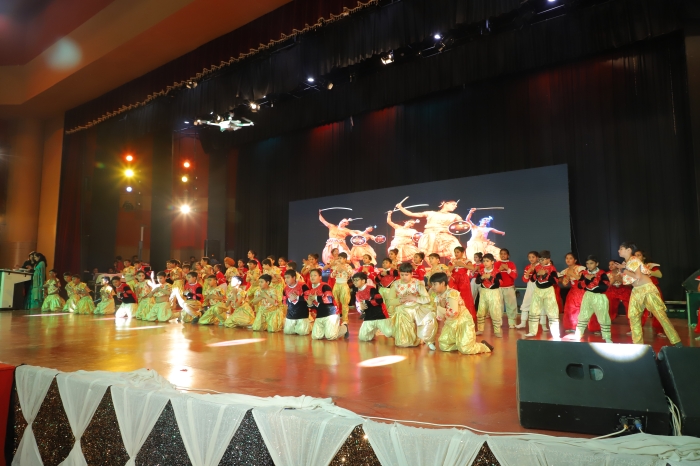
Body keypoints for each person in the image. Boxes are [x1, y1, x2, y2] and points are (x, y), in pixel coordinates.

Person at [615, 242, 681, 346]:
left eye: (621, 248)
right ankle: (638, 345)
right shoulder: (626, 263)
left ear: (628, 250)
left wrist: (624, 270)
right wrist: (620, 271)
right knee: (633, 316)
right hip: (636, 291)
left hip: (647, 289)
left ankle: (676, 341)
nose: (619, 251)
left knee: (660, 315)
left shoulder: (634, 260)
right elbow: (628, 279)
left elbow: (638, 276)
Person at [429, 272, 493, 354]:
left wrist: (439, 308)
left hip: (463, 321)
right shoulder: (437, 296)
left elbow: (454, 313)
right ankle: (460, 343)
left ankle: (484, 346)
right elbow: (440, 316)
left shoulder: (452, 293)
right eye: (432, 284)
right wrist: (438, 306)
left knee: (466, 349)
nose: (432, 287)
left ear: (443, 283)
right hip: (451, 322)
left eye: (434, 284)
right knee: (444, 346)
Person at [388, 263, 437, 349]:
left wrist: (414, 298)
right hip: (402, 309)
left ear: (411, 274)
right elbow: (390, 301)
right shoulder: (396, 284)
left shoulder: (417, 283)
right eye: (402, 275)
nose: (404, 277)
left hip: (416, 308)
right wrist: (401, 300)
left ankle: (425, 339)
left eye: (406, 275)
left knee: (429, 315)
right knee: (403, 342)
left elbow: (427, 299)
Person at [395, 200, 462, 259]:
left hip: (446, 237)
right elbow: (411, 214)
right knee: (428, 254)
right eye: (453, 204)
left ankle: (457, 266)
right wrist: (401, 207)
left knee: (457, 249)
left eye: (456, 205)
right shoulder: (431, 213)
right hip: (430, 236)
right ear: (445, 203)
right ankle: (434, 267)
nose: (455, 206)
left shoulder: (455, 216)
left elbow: (463, 224)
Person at [574, 255, 612, 343]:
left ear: (597, 264)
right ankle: (578, 335)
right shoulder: (584, 273)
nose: (589, 265)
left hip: (599, 297)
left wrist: (593, 279)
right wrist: (587, 280)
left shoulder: (602, 273)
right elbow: (579, 285)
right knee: (583, 315)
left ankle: (607, 337)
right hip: (588, 296)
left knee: (603, 317)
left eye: (591, 263)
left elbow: (605, 287)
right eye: (587, 263)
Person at [525, 251, 560, 339]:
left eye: (543, 259)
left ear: (548, 259)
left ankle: (555, 333)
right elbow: (532, 279)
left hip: (548, 291)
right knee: (533, 310)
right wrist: (537, 274)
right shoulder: (537, 267)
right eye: (539, 259)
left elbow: (555, 281)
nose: (541, 261)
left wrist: (545, 274)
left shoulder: (552, 268)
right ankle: (532, 331)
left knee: (552, 311)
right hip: (538, 290)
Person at [306, 269, 348, 340]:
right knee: (316, 336)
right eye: (311, 276)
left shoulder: (325, 286)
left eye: (315, 275)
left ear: (320, 277)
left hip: (331, 313)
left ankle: (345, 327)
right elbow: (316, 306)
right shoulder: (311, 290)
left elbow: (329, 299)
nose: (312, 277)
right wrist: (309, 304)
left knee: (330, 336)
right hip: (320, 315)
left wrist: (315, 297)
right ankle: (328, 329)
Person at [634, 250, 665, 337]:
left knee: (657, 310)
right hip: (640, 290)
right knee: (638, 311)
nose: (637, 257)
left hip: (653, 290)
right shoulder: (633, 267)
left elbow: (660, 275)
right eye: (635, 255)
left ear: (643, 257)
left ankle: (659, 330)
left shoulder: (650, 266)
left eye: (639, 255)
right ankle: (636, 329)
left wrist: (647, 271)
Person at [353, 272, 392, 341]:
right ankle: (373, 330)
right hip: (369, 317)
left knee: (389, 333)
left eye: (357, 280)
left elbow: (379, 300)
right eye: (354, 280)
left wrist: (366, 303)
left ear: (363, 281)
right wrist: (361, 309)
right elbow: (359, 307)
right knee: (363, 338)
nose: (354, 282)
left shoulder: (371, 289)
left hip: (380, 315)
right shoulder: (357, 294)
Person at [474, 254, 504, 337]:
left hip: (494, 293)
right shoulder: (481, 271)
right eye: (484, 261)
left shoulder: (497, 272)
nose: (485, 263)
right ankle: (480, 329)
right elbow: (477, 281)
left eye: (487, 261)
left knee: (495, 311)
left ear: (492, 262)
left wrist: (490, 277)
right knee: (481, 311)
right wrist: (482, 278)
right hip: (483, 292)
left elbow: (500, 283)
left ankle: (497, 331)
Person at [559, 253, 586, 334]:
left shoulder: (580, 268)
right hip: (573, 291)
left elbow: (581, 280)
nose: (568, 260)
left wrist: (572, 274)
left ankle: (581, 326)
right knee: (569, 308)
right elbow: (564, 284)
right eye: (567, 258)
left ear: (575, 260)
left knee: (580, 309)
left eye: (570, 258)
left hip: (581, 290)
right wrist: (567, 277)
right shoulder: (565, 271)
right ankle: (571, 326)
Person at [448, 246, 476, 319]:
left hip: (463, 280)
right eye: (455, 252)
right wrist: (454, 265)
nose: (456, 254)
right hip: (454, 279)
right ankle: (454, 314)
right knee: (453, 296)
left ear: (462, 253)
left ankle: (466, 316)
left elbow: (472, 268)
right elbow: (448, 270)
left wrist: (462, 265)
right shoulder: (452, 261)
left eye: (458, 252)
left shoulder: (466, 261)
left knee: (465, 296)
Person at [494, 249, 518, 329]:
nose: (503, 255)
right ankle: (498, 322)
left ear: (508, 255)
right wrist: (499, 270)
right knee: (498, 306)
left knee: (511, 305)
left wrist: (508, 269)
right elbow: (493, 275)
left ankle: (512, 322)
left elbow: (514, 276)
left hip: (509, 288)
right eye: (501, 254)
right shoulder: (497, 264)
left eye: (505, 254)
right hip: (498, 288)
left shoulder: (511, 264)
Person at [283, 270, 311, 335]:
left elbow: (309, 297)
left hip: (302, 314)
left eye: (288, 277)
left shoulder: (303, 285)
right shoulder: (285, 288)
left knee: (302, 332)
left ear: (294, 277)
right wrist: (289, 300)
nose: (286, 280)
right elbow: (284, 301)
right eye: (285, 278)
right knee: (288, 332)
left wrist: (297, 297)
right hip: (291, 314)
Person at [516, 251, 539, 328]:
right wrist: (529, 271)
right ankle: (523, 323)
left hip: (539, 287)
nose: (531, 259)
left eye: (533, 257)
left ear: (537, 258)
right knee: (525, 304)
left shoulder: (540, 266)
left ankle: (542, 324)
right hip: (530, 287)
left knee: (540, 306)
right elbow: (525, 280)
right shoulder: (527, 267)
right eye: (529, 257)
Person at [329, 252, 354, 324]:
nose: (339, 260)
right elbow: (331, 275)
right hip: (337, 284)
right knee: (335, 302)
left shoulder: (348, 266)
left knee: (345, 303)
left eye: (341, 258)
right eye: (338, 258)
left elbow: (351, 273)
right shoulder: (336, 266)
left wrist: (343, 268)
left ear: (345, 259)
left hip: (344, 284)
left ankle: (345, 320)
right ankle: (335, 318)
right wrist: (336, 270)